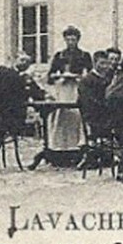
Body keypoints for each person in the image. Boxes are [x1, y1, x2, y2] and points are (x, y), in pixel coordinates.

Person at [35, 26, 93, 168]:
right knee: (61, 117)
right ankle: (59, 151)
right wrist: (56, 76)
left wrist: (79, 77)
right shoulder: (59, 56)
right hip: (62, 89)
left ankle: (77, 149)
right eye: (68, 39)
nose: (71, 42)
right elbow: (50, 76)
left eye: (73, 39)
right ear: (65, 40)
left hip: (76, 89)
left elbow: (90, 75)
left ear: (78, 40)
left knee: (76, 117)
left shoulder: (84, 56)